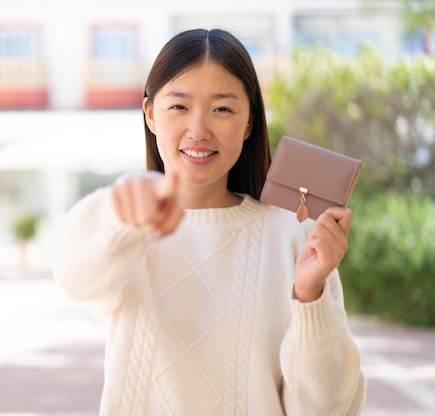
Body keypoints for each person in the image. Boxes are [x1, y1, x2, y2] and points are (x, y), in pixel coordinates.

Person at [50, 28, 366, 415]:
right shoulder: (125, 228)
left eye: (222, 109)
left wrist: (310, 296)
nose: (199, 130)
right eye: (179, 107)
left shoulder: (292, 232)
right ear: (150, 114)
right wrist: (122, 214)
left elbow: (324, 410)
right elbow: (73, 277)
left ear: (249, 122)